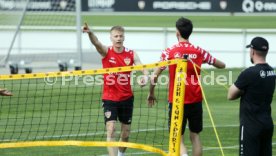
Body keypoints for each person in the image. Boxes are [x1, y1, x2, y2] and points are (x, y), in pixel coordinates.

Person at [147, 17, 225, 156]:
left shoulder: (169, 52)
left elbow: (154, 77)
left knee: (178, 137)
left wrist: (151, 93)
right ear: (190, 32)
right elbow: (221, 64)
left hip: (177, 100)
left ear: (177, 32)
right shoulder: (199, 51)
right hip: (195, 99)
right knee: (195, 136)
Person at [83, 23, 148, 156]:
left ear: (124, 37)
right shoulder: (106, 52)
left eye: (121, 36)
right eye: (116, 36)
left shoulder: (131, 54)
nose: (118, 38)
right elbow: (96, 43)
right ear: (111, 38)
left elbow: (142, 67)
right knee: (111, 130)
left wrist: (145, 77)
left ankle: (120, 154)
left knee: (125, 134)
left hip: (126, 98)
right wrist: (90, 33)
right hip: (109, 98)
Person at [228, 37, 275, 156]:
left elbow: (230, 95)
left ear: (252, 51)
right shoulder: (272, 72)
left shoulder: (249, 73)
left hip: (251, 125)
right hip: (267, 123)